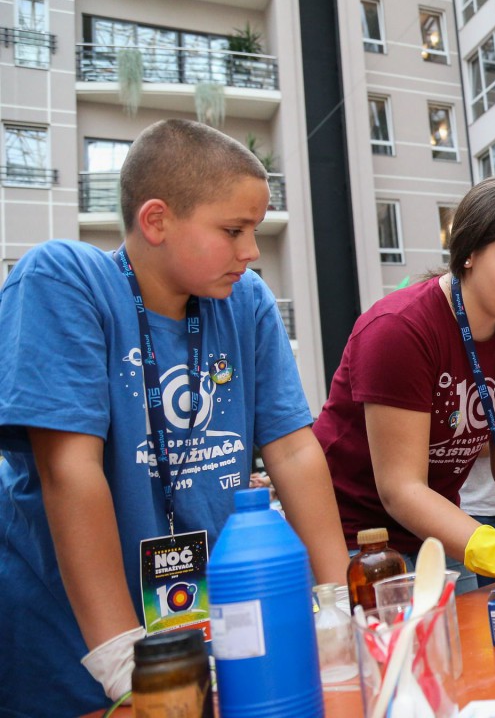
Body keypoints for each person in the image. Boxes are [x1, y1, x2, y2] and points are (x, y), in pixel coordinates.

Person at [0, 119, 349, 717]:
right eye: (233, 230)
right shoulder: (65, 279)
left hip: (202, 634)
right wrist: (123, 663)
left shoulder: (245, 301)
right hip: (72, 649)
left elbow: (293, 451)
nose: (251, 252)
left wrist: (340, 603)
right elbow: (69, 472)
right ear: (156, 220)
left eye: (255, 231)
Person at [315, 177, 495, 589]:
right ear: (468, 252)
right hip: (356, 539)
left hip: (439, 527)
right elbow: (400, 488)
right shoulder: (399, 329)